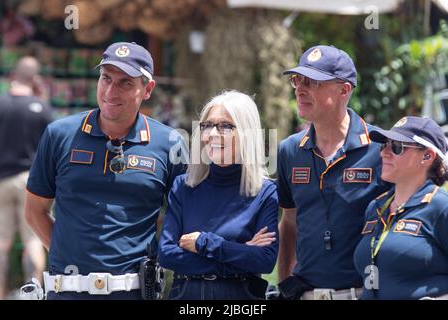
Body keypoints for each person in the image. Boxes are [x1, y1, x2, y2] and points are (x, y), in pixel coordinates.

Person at [25, 42, 187, 300]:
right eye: (106, 78)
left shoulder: (169, 143)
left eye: (125, 83)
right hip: (65, 292)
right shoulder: (59, 134)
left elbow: (185, 214)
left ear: (147, 89)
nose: (111, 91)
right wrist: (68, 257)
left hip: (133, 293)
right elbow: (35, 211)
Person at [277, 45, 390, 300]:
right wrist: (284, 283)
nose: (300, 89)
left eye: (312, 82)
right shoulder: (289, 150)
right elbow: (289, 221)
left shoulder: (381, 149)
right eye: (297, 80)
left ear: (344, 89)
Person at [158, 90, 278, 300]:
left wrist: (204, 243)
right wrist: (240, 253)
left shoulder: (265, 192)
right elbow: (167, 255)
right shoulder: (183, 187)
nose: (212, 134)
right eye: (207, 125)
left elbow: (265, 260)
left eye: (225, 126)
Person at [354, 116, 448, 300]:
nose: (384, 153)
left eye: (397, 147)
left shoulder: (441, 207)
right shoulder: (376, 207)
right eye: (384, 145)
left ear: (427, 156)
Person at [0, 56, 52, 299]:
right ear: (35, 79)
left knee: (0, 242)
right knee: (32, 240)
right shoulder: (40, 107)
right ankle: (32, 294)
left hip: (1, 180)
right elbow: (54, 141)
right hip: (32, 182)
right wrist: (42, 98)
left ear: (12, 77)